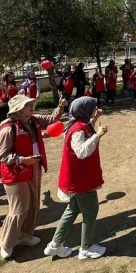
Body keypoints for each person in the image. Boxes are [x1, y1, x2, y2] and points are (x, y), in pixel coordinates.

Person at [0, 95, 67, 259]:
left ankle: (25, 235)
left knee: (33, 203)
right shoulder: (8, 129)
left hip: (34, 167)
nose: (31, 107)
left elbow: (51, 119)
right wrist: (22, 159)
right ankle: (7, 243)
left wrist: (60, 107)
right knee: (19, 208)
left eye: (31, 104)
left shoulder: (32, 120)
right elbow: (2, 155)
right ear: (18, 109)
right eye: (27, 105)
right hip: (16, 172)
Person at [44, 97, 108, 260]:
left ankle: (55, 244)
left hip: (77, 177)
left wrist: (94, 119)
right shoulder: (78, 129)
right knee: (91, 210)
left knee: (72, 209)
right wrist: (98, 135)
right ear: (84, 111)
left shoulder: (78, 124)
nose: (96, 108)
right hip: (80, 180)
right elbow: (81, 151)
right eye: (93, 107)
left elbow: (86, 129)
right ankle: (86, 247)